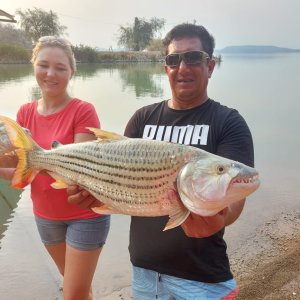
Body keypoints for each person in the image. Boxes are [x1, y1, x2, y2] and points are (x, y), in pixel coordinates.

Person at [68, 23, 254, 299]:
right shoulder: (143, 118)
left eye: (193, 58)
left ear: (210, 66)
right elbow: (119, 183)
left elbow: (236, 196)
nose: (183, 67)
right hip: (144, 273)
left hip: (202, 277)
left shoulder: (228, 123)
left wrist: (219, 219)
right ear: (165, 67)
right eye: (173, 59)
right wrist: (93, 195)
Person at [0, 36, 110, 300]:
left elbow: (79, 175)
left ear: (72, 72)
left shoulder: (83, 111)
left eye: (60, 67)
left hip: (85, 216)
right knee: (77, 289)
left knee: (73, 294)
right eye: (43, 65)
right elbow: (23, 177)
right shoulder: (25, 113)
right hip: (45, 217)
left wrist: (35, 159)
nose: (50, 74)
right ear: (34, 66)